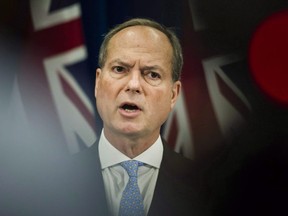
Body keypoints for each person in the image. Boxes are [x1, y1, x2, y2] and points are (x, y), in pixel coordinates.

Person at [69, 18, 203, 216]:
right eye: (120, 69)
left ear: (173, 95)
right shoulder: (47, 184)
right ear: (98, 82)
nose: (133, 85)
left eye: (152, 74)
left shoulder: (210, 190)